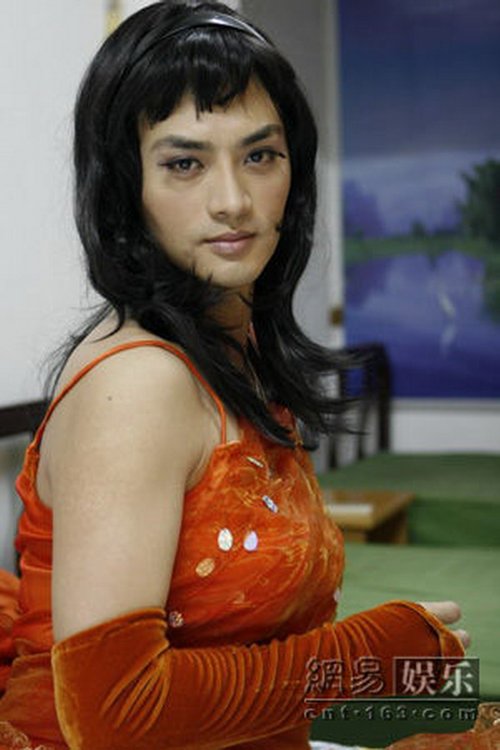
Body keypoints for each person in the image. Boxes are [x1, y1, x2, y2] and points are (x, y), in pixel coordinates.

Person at [0, 2, 496, 749]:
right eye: (184, 163)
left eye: (260, 156)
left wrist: (378, 668)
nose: (232, 201)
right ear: (124, 185)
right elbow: (115, 714)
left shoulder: (239, 348)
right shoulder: (138, 385)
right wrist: (365, 654)